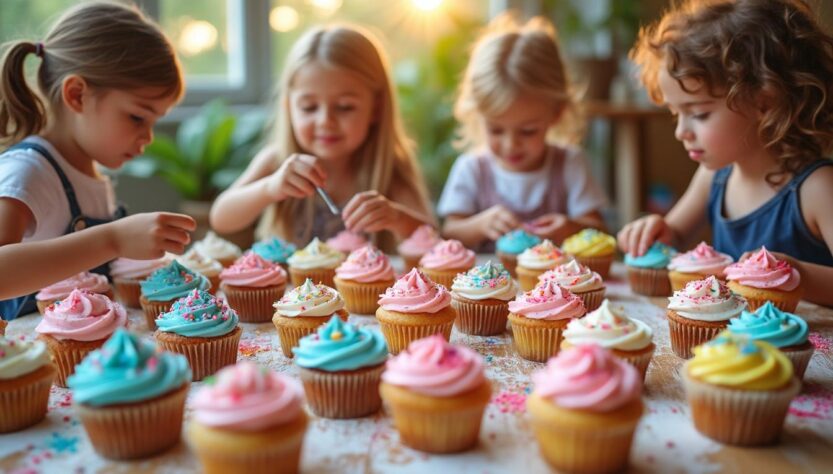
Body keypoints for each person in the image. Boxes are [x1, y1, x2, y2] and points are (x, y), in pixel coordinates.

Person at [619, 0, 833, 306]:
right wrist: (655, 230)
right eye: (676, 114)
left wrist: (799, 275)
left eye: (699, 114)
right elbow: (674, 235)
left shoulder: (817, 188)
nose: (681, 132)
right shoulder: (715, 175)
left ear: (764, 103)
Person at [0, 2, 195, 318]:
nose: (148, 137)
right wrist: (112, 239)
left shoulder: (89, 174)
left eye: (153, 122)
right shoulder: (28, 171)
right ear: (77, 95)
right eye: (137, 117)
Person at [210, 24, 434, 251]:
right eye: (309, 107)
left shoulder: (390, 168)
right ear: (289, 107)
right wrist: (270, 188)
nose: (325, 121)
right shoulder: (276, 161)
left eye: (345, 107)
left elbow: (433, 238)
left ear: (376, 109)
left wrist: (397, 218)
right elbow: (220, 218)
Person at [437, 13, 607, 251]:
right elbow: (449, 232)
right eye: (496, 130)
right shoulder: (472, 169)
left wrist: (570, 228)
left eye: (528, 131)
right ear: (478, 115)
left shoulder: (570, 164)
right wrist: (480, 225)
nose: (511, 144)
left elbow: (600, 231)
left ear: (556, 112)